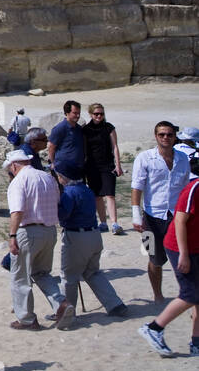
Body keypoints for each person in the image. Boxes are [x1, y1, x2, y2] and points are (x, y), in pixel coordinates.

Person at [52, 162, 127, 328]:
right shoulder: (86, 189)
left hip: (77, 236)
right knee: (92, 272)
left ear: (64, 177)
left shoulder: (69, 193)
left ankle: (66, 312)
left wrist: (57, 203)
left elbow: (63, 215)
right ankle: (115, 304)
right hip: (94, 234)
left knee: (69, 276)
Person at [139, 155, 199, 356]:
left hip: (193, 245)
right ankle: (154, 327)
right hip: (167, 236)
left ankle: (196, 342)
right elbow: (181, 221)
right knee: (190, 293)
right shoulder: (193, 188)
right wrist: (183, 254)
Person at [131, 121, 192, 303]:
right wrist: (135, 214)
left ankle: (186, 295)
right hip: (151, 216)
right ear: (155, 136)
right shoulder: (144, 158)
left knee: (181, 256)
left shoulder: (182, 158)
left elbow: (185, 187)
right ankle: (158, 295)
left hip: (177, 216)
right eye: (161, 134)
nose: (165, 138)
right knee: (154, 258)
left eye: (169, 134)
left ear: (175, 137)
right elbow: (136, 187)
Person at [5, 148, 62, 329]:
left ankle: (27, 319)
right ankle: (61, 304)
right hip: (49, 230)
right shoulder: (47, 177)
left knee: (21, 278)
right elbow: (57, 201)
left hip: (28, 233)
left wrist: (12, 235)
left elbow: (17, 211)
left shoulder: (18, 181)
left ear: (14, 166)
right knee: (42, 273)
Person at [83, 103, 125, 234]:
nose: (99, 116)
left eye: (101, 114)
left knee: (110, 194)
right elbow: (83, 149)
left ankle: (115, 224)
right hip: (92, 166)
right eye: (96, 114)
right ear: (90, 114)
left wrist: (118, 165)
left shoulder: (109, 127)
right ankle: (102, 223)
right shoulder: (86, 130)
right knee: (97, 196)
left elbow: (115, 147)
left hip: (108, 165)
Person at [48, 100, 86, 178]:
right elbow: (51, 147)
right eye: (75, 113)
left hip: (78, 168)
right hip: (63, 169)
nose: (78, 116)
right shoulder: (60, 128)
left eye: (79, 113)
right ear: (67, 113)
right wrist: (53, 163)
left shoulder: (79, 128)